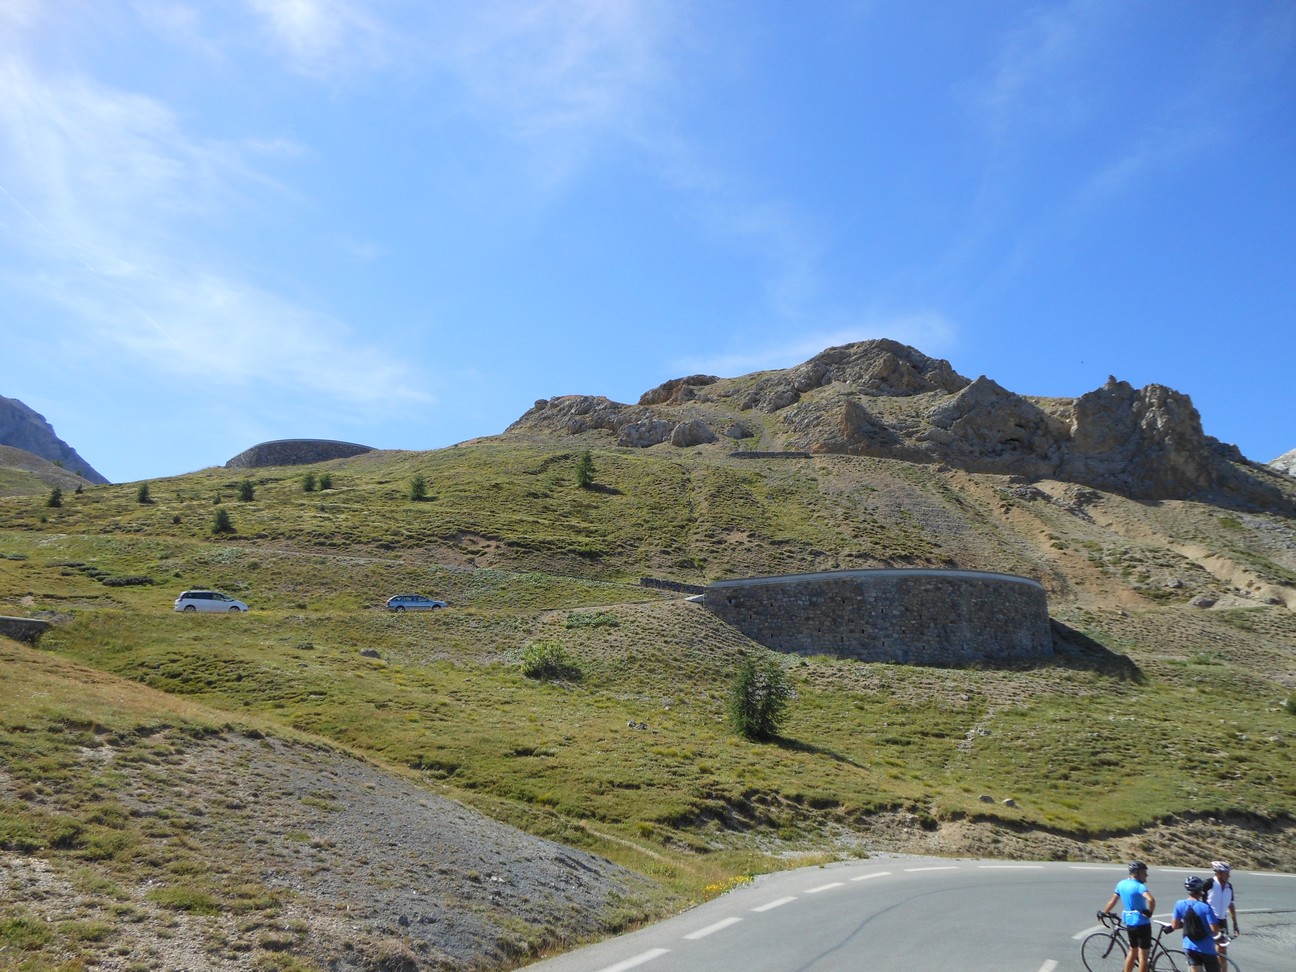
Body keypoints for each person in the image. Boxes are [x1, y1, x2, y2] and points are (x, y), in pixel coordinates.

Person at [1099, 861, 1156, 972]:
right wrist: (1149, 912)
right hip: (1142, 924)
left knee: (1132, 951)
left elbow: (1112, 901)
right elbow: (1151, 900)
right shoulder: (1139, 887)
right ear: (1136, 873)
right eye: (1144, 872)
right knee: (1143, 957)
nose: (1146, 875)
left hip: (1130, 923)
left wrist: (1104, 912)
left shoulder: (1121, 884)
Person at [1170, 875, 1222, 972]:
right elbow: (1215, 929)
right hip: (1207, 948)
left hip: (1189, 946)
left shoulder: (1179, 904)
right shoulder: (1206, 907)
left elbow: (1174, 925)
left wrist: (1186, 924)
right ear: (1200, 889)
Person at [1206, 861, 1239, 962]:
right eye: (1226, 873)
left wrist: (1235, 923)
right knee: (1206, 948)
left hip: (1222, 920)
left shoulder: (1229, 887)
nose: (1229, 875)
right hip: (1208, 920)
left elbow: (1231, 905)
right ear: (1218, 873)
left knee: (1222, 950)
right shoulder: (1208, 883)